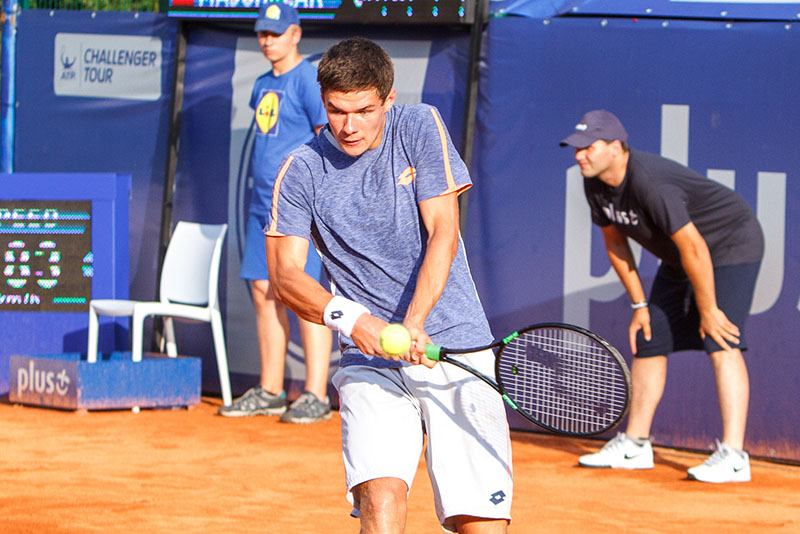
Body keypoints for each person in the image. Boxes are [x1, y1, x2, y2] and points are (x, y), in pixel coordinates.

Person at [265, 37, 513, 533]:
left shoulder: (420, 126)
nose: (349, 125)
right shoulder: (301, 171)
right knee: (380, 501)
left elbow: (444, 230)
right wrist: (355, 321)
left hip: (454, 341)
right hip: (368, 359)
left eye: (363, 110)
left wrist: (414, 321)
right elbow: (286, 275)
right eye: (336, 111)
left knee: (479, 524)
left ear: (388, 99)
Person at [560, 110, 764, 483]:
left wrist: (708, 310)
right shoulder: (595, 184)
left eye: (588, 147)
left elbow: (696, 248)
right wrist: (640, 306)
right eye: (577, 149)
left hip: (729, 245)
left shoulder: (650, 182)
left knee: (720, 337)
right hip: (681, 257)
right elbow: (615, 244)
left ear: (616, 147)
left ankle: (735, 455)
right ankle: (636, 445)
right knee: (650, 337)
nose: (580, 155)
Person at [218, 2, 333, 424]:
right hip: (261, 206)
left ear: (295, 35)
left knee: (304, 295)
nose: (268, 41)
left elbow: (327, 141)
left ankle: (317, 394)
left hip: (300, 209)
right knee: (264, 293)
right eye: (263, 34)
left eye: (276, 33)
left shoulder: (307, 80)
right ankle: (270, 390)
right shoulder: (262, 83)